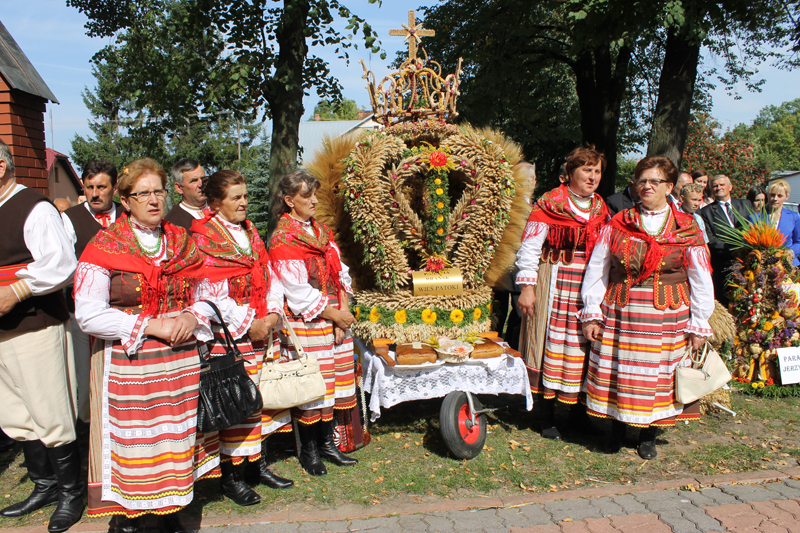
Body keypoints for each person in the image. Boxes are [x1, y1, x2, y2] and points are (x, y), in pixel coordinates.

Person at [74, 158, 216, 533]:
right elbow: (87, 314)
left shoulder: (181, 241)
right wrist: (150, 323)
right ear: (125, 200)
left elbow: (209, 292)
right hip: (128, 364)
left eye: (158, 191)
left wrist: (191, 316)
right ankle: (130, 519)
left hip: (179, 363)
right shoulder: (105, 244)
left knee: (174, 440)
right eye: (143, 193)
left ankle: (170, 513)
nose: (153, 200)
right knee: (137, 445)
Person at [579, 155, 714, 460]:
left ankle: (647, 434)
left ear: (670, 187)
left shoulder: (687, 227)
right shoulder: (619, 223)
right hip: (622, 309)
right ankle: (615, 430)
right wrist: (592, 311)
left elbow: (701, 277)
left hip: (667, 312)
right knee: (619, 370)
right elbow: (598, 269)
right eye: (642, 180)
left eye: (654, 181)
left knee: (656, 373)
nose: (647, 186)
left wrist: (699, 322)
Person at [191, 170, 294, 505]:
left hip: (263, 325)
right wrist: (250, 322)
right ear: (217, 202)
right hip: (231, 335)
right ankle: (230, 478)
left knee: (259, 401)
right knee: (236, 403)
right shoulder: (204, 236)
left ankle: (257, 465)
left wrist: (274, 313)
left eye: (245, 195)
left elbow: (269, 273)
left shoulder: (249, 231)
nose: (244, 202)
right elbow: (209, 291)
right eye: (236, 197)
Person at [0, 139, 82, 533]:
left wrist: (16, 290)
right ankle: (45, 485)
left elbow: (62, 264)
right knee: (15, 413)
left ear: (0, 167)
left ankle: (72, 494)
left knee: (49, 410)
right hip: (2, 331)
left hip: (34, 324)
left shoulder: (33, 207)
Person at [516, 146, 609, 440]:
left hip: (588, 286)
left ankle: (576, 411)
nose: (592, 177)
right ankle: (544, 415)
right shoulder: (550, 203)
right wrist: (527, 288)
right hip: (554, 282)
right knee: (548, 344)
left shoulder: (600, 207)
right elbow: (530, 248)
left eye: (597, 171)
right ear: (570, 173)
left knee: (582, 345)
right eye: (586, 170)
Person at [269, 169, 358, 476]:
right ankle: (308, 450)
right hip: (308, 321)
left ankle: (327, 443)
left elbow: (339, 271)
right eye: (307, 196)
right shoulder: (283, 238)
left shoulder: (321, 232)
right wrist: (334, 314)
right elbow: (296, 292)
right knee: (312, 386)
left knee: (334, 384)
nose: (314, 201)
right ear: (289, 200)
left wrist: (342, 315)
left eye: (314, 194)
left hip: (334, 317)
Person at [61, 160, 126, 423]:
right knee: (87, 373)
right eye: (89, 187)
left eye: (102, 186)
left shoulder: (127, 214)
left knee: (121, 373)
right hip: (83, 313)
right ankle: (89, 428)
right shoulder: (70, 219)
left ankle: (120, 423)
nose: (95, 193)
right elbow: (64, 265)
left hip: (123, 309)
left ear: (114, 188)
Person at [699, 174, 750, 305]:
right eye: (715, 186)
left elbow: (754, 227)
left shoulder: (745, 204)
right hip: (723, 264)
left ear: (730, 187)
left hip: (748, 262)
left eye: (722, 185)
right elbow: (711, 239)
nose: (718, 188)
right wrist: (735, 250)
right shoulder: (706, 212)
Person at [762, 180, 800, 266]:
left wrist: (791, 252)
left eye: (780, 196)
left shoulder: (794, 217)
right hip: (764, 265)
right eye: (772, 195)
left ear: (787, 197)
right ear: (767, 195)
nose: (775, 198)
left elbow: (799, 242)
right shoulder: (756, 217)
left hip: (788, 265)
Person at [164, 158, 207, 231]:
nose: (201, 184)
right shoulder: (173, 223)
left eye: (203, 178)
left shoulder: (221, 205)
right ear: (179, 188)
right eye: (194, 181)